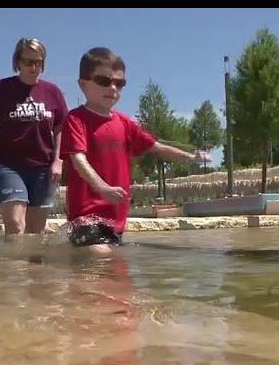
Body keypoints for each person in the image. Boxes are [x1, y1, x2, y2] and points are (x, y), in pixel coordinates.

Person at [60, 47, 211, 248]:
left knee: (114, 270)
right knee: (99, 255)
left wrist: (192, 158)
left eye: (120, 83)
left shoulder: (125, 123)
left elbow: (156, 147)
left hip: (116, 217)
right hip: (86, 213)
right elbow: (78, 159)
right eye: (104, 81)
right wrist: (102, 187)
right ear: (83, 85)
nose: (113, 88)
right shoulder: (76, 119)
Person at [0, 38, 68, 237]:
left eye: (38, 62)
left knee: (36, 231)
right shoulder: (0, 89)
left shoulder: (53, 92)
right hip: (7, 166)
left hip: (43, 167)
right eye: (28, 61)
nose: (34, 66)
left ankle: (34, 269)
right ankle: (13, 269)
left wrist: (58, 160)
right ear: (17, 62)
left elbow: (61, 130)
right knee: (15, 224)